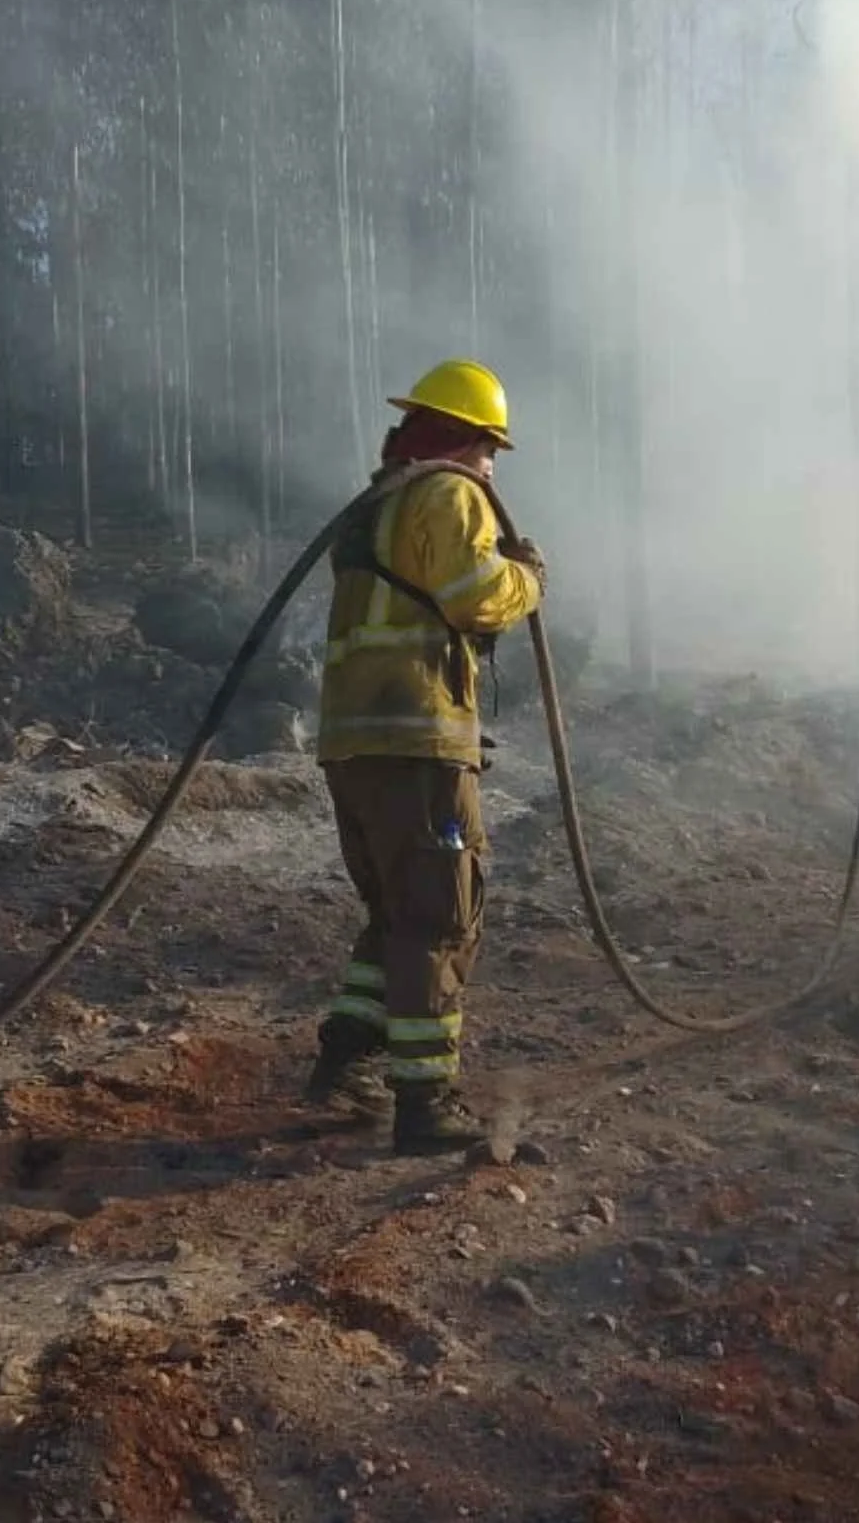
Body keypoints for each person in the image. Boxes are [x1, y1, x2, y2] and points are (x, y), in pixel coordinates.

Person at [303, 358, 545, 1154]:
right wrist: (527, 581)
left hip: (355, 742)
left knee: (396, 914)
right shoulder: (448, 494)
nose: (492, 466)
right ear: (470, 437)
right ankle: (424, 1103)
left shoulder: (379, 504)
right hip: (417, 737)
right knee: (441, 916)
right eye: (491, 449)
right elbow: (477, 591)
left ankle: (344, 1056)